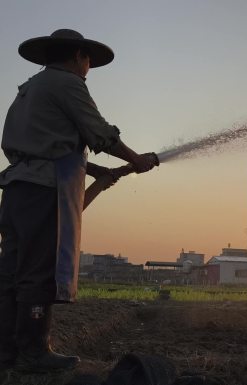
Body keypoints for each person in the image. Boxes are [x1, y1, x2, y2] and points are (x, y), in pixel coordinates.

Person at [0, 29, 158, 373]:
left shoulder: (30, 88)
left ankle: (7, 354)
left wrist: (98, 169)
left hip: (16, 190)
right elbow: (99, 133)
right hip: (43, 190)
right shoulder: (67, 82)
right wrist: (136, 159)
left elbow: (49, 144)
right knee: (37, 275)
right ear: (77, 56)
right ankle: (33, 353)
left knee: (11, 274)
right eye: (88, 60)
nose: (89, 67)